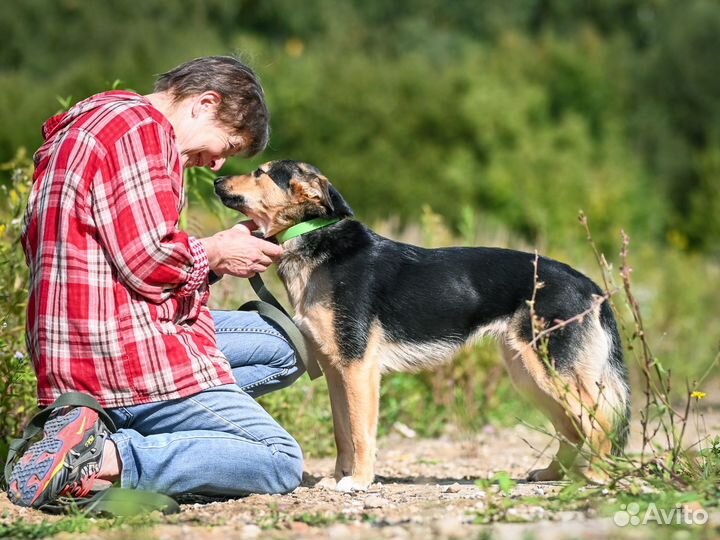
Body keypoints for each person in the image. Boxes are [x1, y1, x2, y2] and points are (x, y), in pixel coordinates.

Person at [8, 56, 306, 508]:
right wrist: (218, 250)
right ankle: (104, 455)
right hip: (120, 354)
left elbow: (123, 256)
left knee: (288, 344)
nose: (218, 163)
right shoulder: (142, 132)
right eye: (228, 143)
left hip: (75, 346)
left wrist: (217, 258)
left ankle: (103, 430)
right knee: (280, 459)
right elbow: (147, 261)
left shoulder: (92, 120)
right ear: (206, 103)